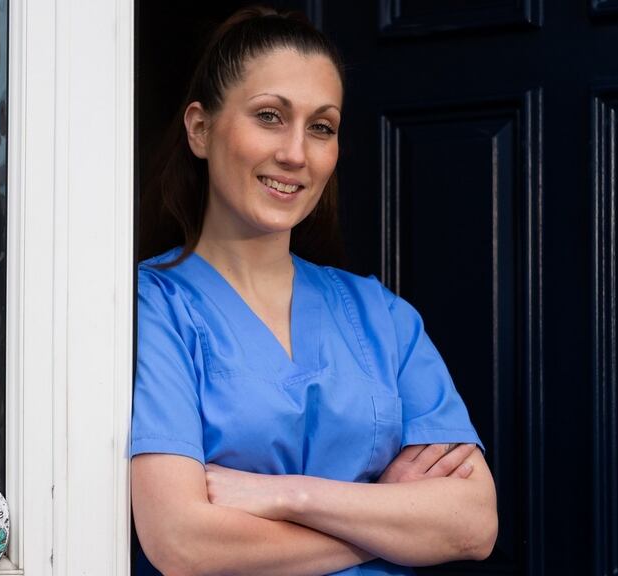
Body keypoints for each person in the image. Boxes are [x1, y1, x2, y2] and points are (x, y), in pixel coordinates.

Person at [130, 6, 498, 576]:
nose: (296, 153)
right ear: (200, 129)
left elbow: (473, 524)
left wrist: (288, 496)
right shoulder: (151, 309)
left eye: (321, 127)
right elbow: (183, 543)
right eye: (270, 116)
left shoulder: (382, 316)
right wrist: (390, 523)